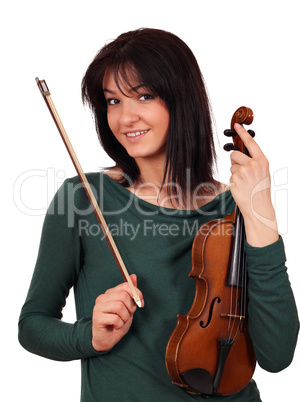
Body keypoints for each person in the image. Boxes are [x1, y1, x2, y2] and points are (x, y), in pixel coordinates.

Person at [19, 28, 299, 401]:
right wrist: (88, 336)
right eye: (113, 101)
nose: (125, 117)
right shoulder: (83, 198)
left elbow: (277, 356)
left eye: (144, 96)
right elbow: (33, 324)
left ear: (181, 100)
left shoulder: (238, 207)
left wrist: (261, 215)